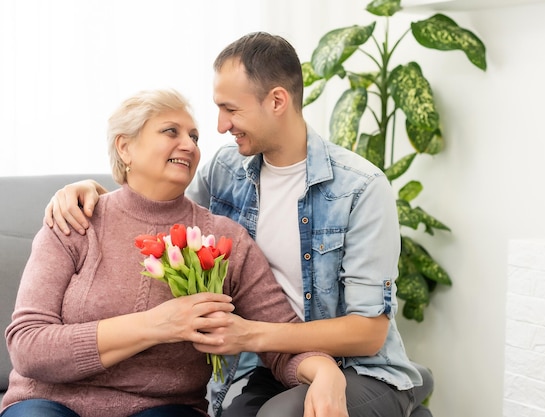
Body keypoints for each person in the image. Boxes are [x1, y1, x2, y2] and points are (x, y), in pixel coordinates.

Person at [45, 33, 434, 417]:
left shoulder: (360, 188)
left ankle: (414, 386)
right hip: (275, 367)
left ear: (277, 101)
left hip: (362, 370)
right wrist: (93, 192)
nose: (219, 125)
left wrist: (252, 335)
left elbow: (368, 333)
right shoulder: (225, 170)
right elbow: (165, 216)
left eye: (230, 109)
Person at [1, 89, 348, 417]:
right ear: (125, 148)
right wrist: (157, 325)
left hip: (163, 406)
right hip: (49, 399)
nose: (190, 145)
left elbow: (279, 336)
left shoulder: (225, 238)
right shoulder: (75, 219)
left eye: (194, 137)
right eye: (171, 131)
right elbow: (29, 346)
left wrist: (325, 373)